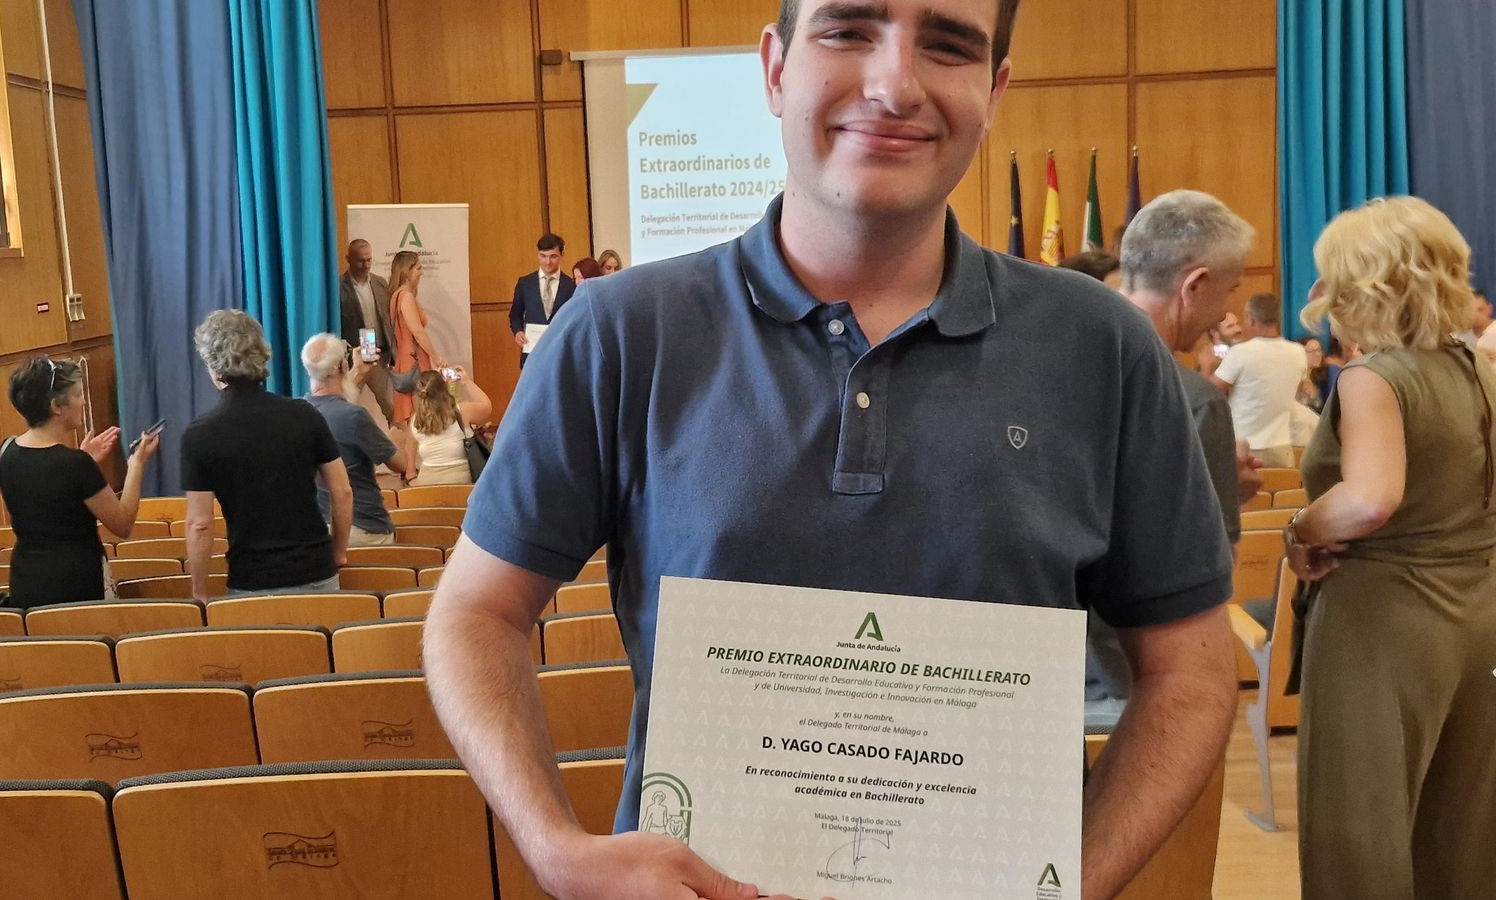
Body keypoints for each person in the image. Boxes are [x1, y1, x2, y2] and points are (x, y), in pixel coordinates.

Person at [423, 2, 1237, 898]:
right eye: (849, 30)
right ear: (776, 69)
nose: (894, 84)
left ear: (994, 91)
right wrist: (552, 847)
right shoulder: (619, 333)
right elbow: (476, 613)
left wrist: (1068, 886)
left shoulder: (1104, 347)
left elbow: (1191, 671)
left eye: (948, 45)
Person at [1285, 196, 1496, 897]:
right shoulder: (1481, 370)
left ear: (1364, 282)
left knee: (1359, 824)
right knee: (1461, 827)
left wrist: (1300, 529)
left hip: (1384, 621)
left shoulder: (1375, 376)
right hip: (1478, 611)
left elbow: (1370, 499)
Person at [1103, 190, 1261, 712]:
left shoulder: (1046, 367)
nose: (1226, 311)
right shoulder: (1192, 401)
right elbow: (1210, 567)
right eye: (1230, 291)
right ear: (1194, 286)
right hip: (1143, 674)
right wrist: (1226, 492)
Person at [181, 311, 352, 599]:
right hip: (315, 571)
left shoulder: (200, 434)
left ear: (212, 364)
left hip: (251, 580)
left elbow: (200, 524)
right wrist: (338, 553)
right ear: (261, 353)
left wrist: (198, 590)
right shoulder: (305, 414)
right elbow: (343, 491)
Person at [0, 357, 158, 607]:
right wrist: (136, 464)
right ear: (56, 406)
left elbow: (43, 498)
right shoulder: (74, 464)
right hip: (77, 584)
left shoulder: (6, 451)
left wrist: (85, 461)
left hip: (26, 581)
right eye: (78, 395)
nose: (83, 401)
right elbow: (123, 524)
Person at [302, 333, 411, 547]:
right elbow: (401, 464)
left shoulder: (298, 412)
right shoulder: (354, 417)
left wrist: (358, 371)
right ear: (343, 366)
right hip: (366, 530)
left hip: (318, 530)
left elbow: (333, 404)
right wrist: (396, 437)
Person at [1210, 292, 1307, 467]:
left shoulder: (1241, 353)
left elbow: (1210, 392)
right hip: (1282, 448)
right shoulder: (1298, 352)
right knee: (1284, 487)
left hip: (1244, 448)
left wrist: (1205, 366)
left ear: (1251, 319)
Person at [338, 239, 395, 419]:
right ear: (348, 259)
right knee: (345, 403)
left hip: (378, 351)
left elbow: (388, 318)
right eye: (360, 261)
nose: (366, 265)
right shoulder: (338, 286)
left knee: (392, 406)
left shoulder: (380, 283)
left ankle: (399, 435)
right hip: (355, 353)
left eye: (369, 260)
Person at [387, 249, 445, 424]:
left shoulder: (396, 296)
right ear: (407, 271)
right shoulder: (406, 297)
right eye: (418, 268)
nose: (422, 273)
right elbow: (418, 332)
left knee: (413, 415)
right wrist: (436, 357)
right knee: (419, 415)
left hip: (405, 358)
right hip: (414, 360)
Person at [407, 367, 492, 486]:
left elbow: (410, 446)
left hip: (427, 483)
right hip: (460, 482)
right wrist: (467, 382)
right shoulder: (462, 411)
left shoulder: (416, 420)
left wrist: (411, 475)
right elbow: (487, 407)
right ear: (444, 388)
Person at [509, 233, 575, 368]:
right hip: (532, 353)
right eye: (543, 256)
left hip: (561, 354)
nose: (547, 262)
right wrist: (518, 331)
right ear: (538, 255)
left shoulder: (571, 285)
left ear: (562, 255)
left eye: (553, 256)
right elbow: (515, 315)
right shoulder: (525, 283)